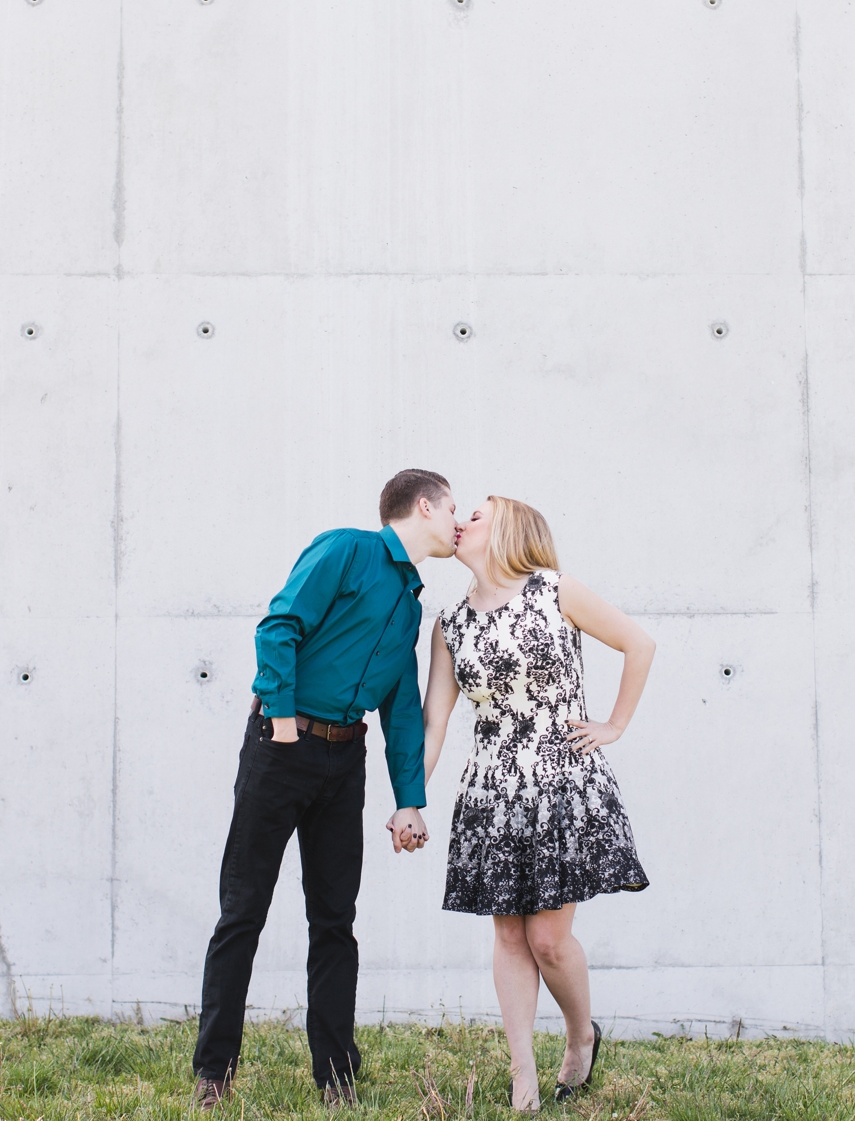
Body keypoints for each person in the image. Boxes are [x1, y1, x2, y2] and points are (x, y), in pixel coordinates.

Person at [191, 469, 460, 1110]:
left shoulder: (412, 605)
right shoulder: (346, 548)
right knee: (243, 911)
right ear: (424, 506)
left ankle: (336, 1076)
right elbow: (279, 624)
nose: (460, 521)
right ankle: (214, 1071)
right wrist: (282, 723)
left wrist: (409, 799)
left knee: (335, 920)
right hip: (281, 749)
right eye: (455, 508)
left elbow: (399, 710)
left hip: (347, 761)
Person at [422, 496, 654, 1112]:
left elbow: (639, 643)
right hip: (491, 791)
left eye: (477, 512)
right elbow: (434, 727)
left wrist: (614, 724)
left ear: (510, 530)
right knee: (509, 937)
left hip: (562, 782)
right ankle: (523, 1073)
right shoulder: (449, 622)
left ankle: (581, 1036)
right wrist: (409, 801)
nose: (462, 519)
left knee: (549, 939)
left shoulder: (554, 590)